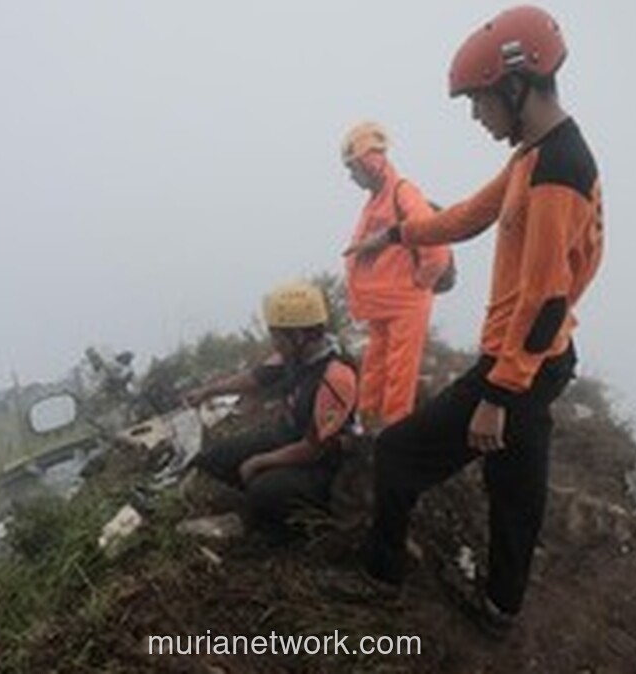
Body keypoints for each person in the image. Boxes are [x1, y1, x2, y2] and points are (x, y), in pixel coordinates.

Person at [344, 6, 604, 635]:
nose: (476, 115)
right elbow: (467, 215)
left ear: (517, 84)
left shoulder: (556, 174)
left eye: (478, 100)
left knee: (400, 454)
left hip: (520, 362)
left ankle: (380, 581)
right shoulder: (532, 156)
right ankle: (501, 608)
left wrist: (497, 393)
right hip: (537, 360)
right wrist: (400, 233)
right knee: (516, 487)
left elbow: (546, 300)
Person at [184, 282, 359, 541]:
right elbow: (256, 377)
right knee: (214, 459)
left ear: (299, 336)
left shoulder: (337, 377)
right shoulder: (294, 355)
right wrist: (208, 391)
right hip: (288, 435)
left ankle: (286, 528)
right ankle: (263, 505)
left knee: (265, 489)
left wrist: (262, 461)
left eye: (277, 335)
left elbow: (315, 447)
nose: (273, 343)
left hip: (325, 462)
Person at [341, 122, 452, 430]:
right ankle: (367, 424)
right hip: (381, 303)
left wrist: (422, 281)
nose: (351, 177)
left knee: (400, 372)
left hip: (405, 302)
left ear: (369, 163)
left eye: (353, 168)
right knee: (375, 367)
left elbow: (436, 243)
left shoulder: (403, 192)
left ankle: (392, 433)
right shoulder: (377, 200)